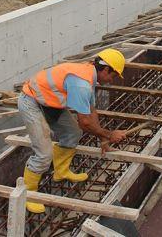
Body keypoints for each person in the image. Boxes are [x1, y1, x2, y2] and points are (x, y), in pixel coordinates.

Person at [18, 48, 129, 214]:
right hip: (32, 101)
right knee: (44, 153)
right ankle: (29, 194)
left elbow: (91, 111)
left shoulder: (89, 77)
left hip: (50, 102)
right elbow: (84, 123)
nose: (112, 80)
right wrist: (109, 134)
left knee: (73, 133)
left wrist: (103, 140)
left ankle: (61, 171)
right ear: (106, 69)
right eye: (113, 75)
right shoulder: (82, 84)